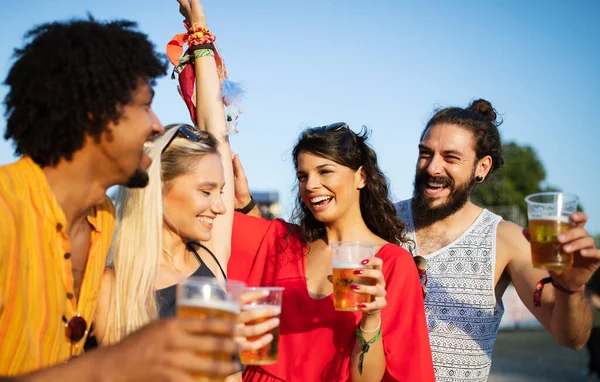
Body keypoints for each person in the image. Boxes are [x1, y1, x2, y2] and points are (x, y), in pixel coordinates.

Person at [0, 14, 240, 381]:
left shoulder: (102, 219)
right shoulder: (6, 211)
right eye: (145, 105)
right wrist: (120, 361)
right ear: (95, 114)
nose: (157, 125)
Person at [93, 1, 277, 374]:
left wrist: (199, 29)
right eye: (206, 191)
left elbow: (217, 131)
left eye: (219, 191)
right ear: (158, 188)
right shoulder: (115, 288)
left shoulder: (209, 255)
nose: (222, 206)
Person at [394, 98, 600, 381]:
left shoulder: (505, 239)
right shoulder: (380, 223)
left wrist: (571, 290)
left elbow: (572, 338)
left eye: (450, 158)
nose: (432, 168)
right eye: (425, 153)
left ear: (482, 167)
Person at [230, 123, 435, 381]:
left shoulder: (391, 263)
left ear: (361, 176)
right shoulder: (282, 241)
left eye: (324, 171)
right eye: (302, 176)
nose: (311, 185)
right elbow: (211, 218)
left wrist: (371, 317)